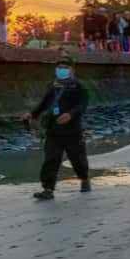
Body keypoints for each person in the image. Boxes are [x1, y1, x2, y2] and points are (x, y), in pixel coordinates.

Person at [22, 54, 90, 200]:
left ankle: (84, 179)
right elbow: (44, 103)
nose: (61, 70)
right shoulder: (52, 86)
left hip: (72, 130)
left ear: (71, 69)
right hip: (53, 129)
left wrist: (70, 115)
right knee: (51, 159)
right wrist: (32, 114)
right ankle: (48, 189)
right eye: (59, 67)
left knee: (77, 159)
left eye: (65, 67)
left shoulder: (79, 86)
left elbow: (82, 105)